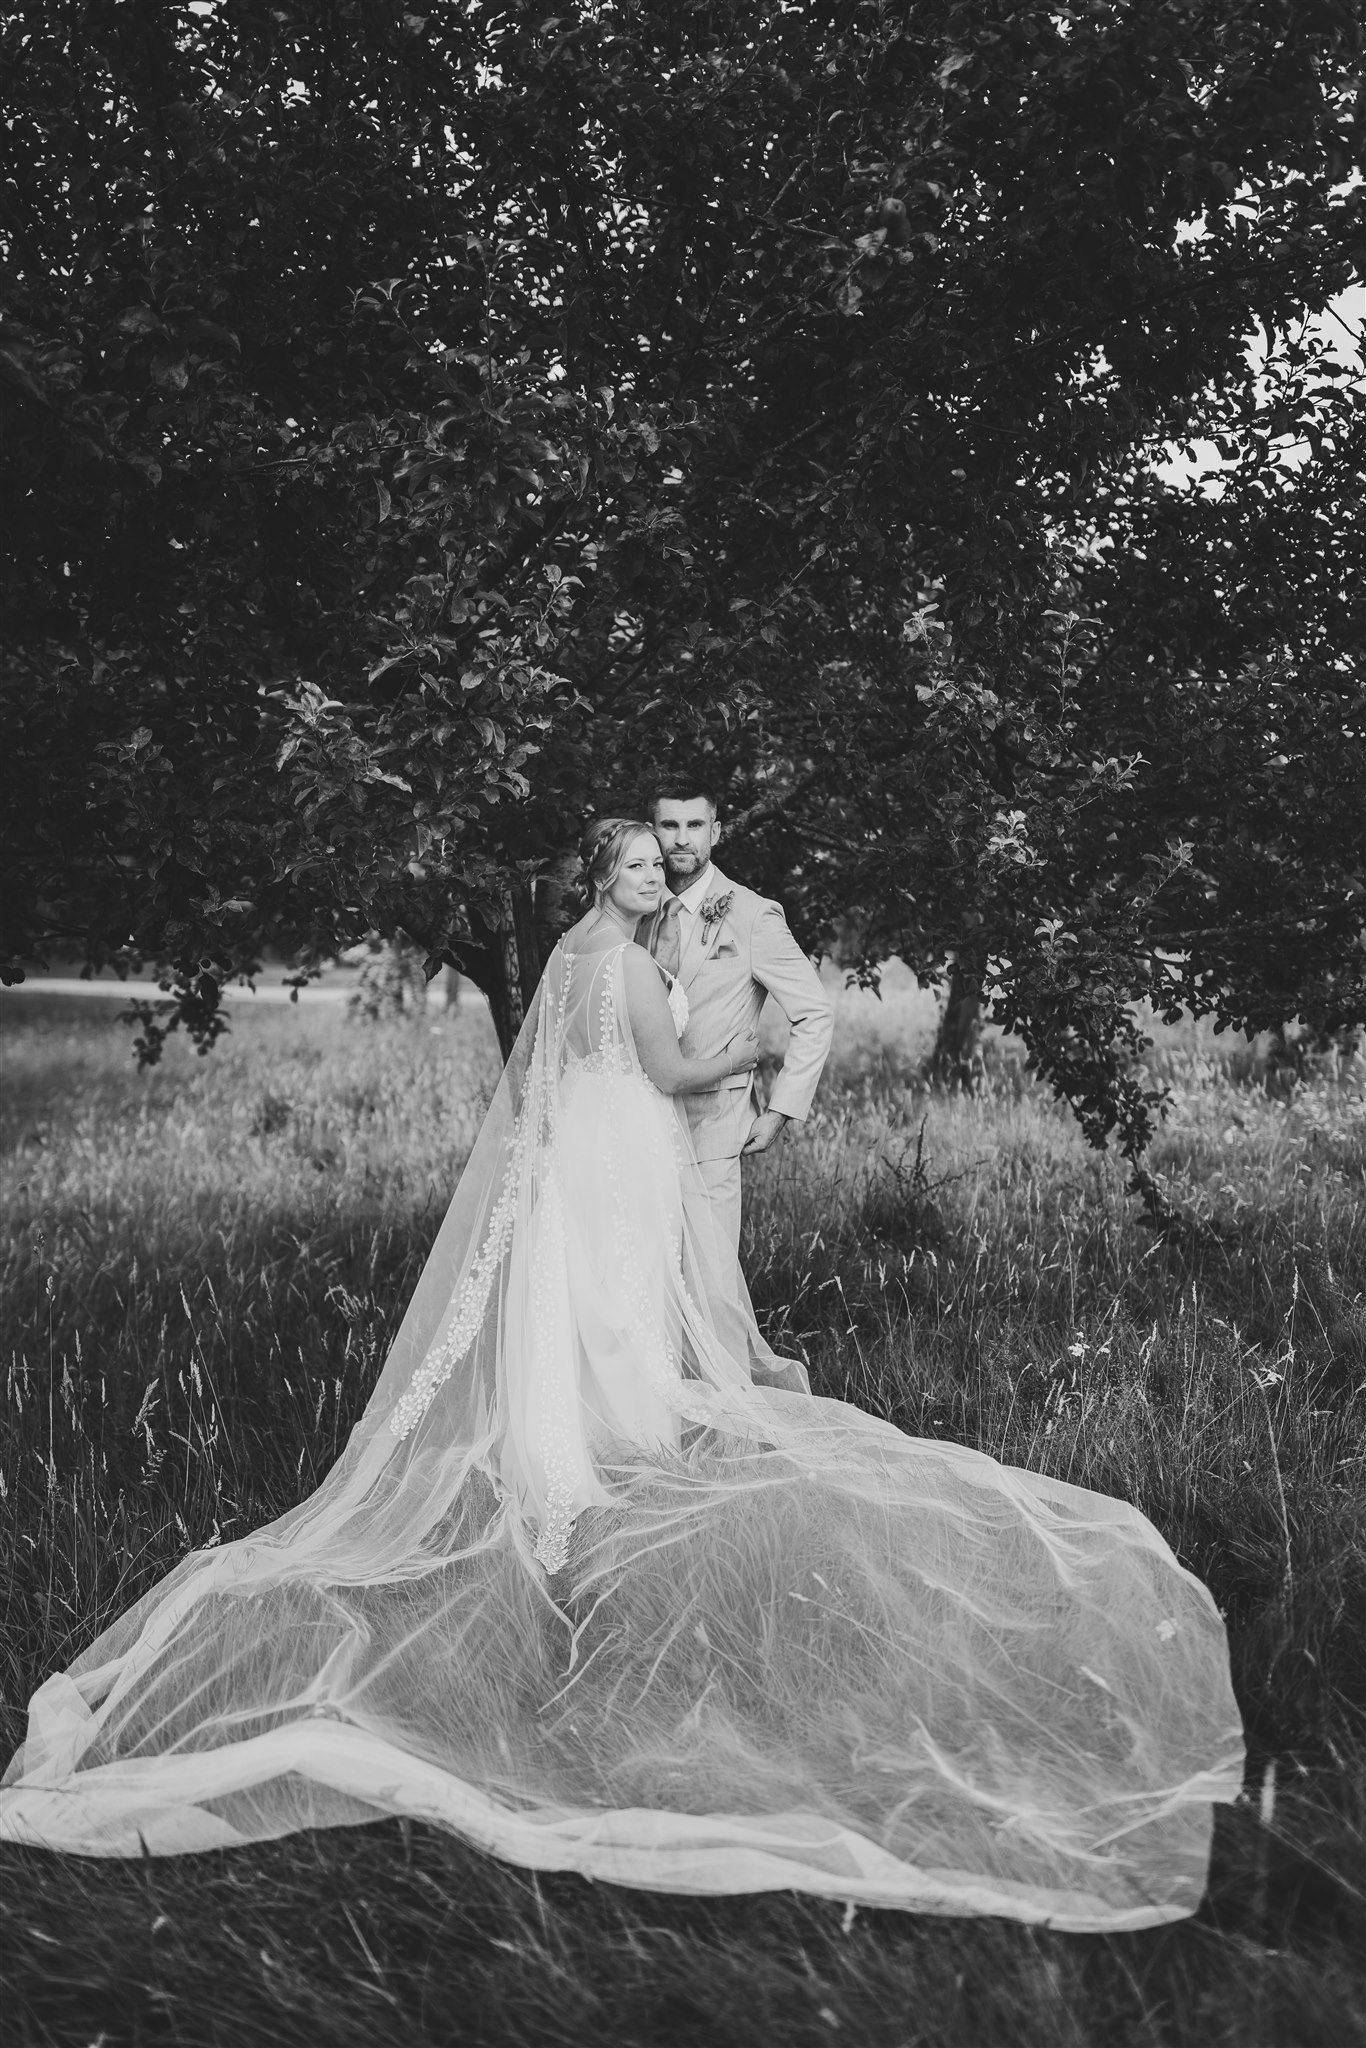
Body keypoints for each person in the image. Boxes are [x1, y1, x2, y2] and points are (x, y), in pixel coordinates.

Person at [0, 818, 1244, 1932]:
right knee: (622, 1322)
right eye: (640, 861)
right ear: (603, 877)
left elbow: (558, 1080)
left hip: (580, 1169)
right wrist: (750, 1044)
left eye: (664, 858)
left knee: (578, 1318)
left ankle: (571, 1455)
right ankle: (601, 1471)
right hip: (622, 1164)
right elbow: (671, 1072)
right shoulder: (629, 963)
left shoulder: (560, 962)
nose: (659, 871)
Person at [644, 782, 834, 1257]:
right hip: (638, 1124)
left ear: (717, 832)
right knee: (649, 1282)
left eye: (695, 825)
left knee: (712, 1283)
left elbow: (815, 1012)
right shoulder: (638, 908)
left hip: (714, 1127)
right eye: (670, 825)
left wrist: (779, 1112)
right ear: (653, 833)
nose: (682, 839)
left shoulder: (752, 915)